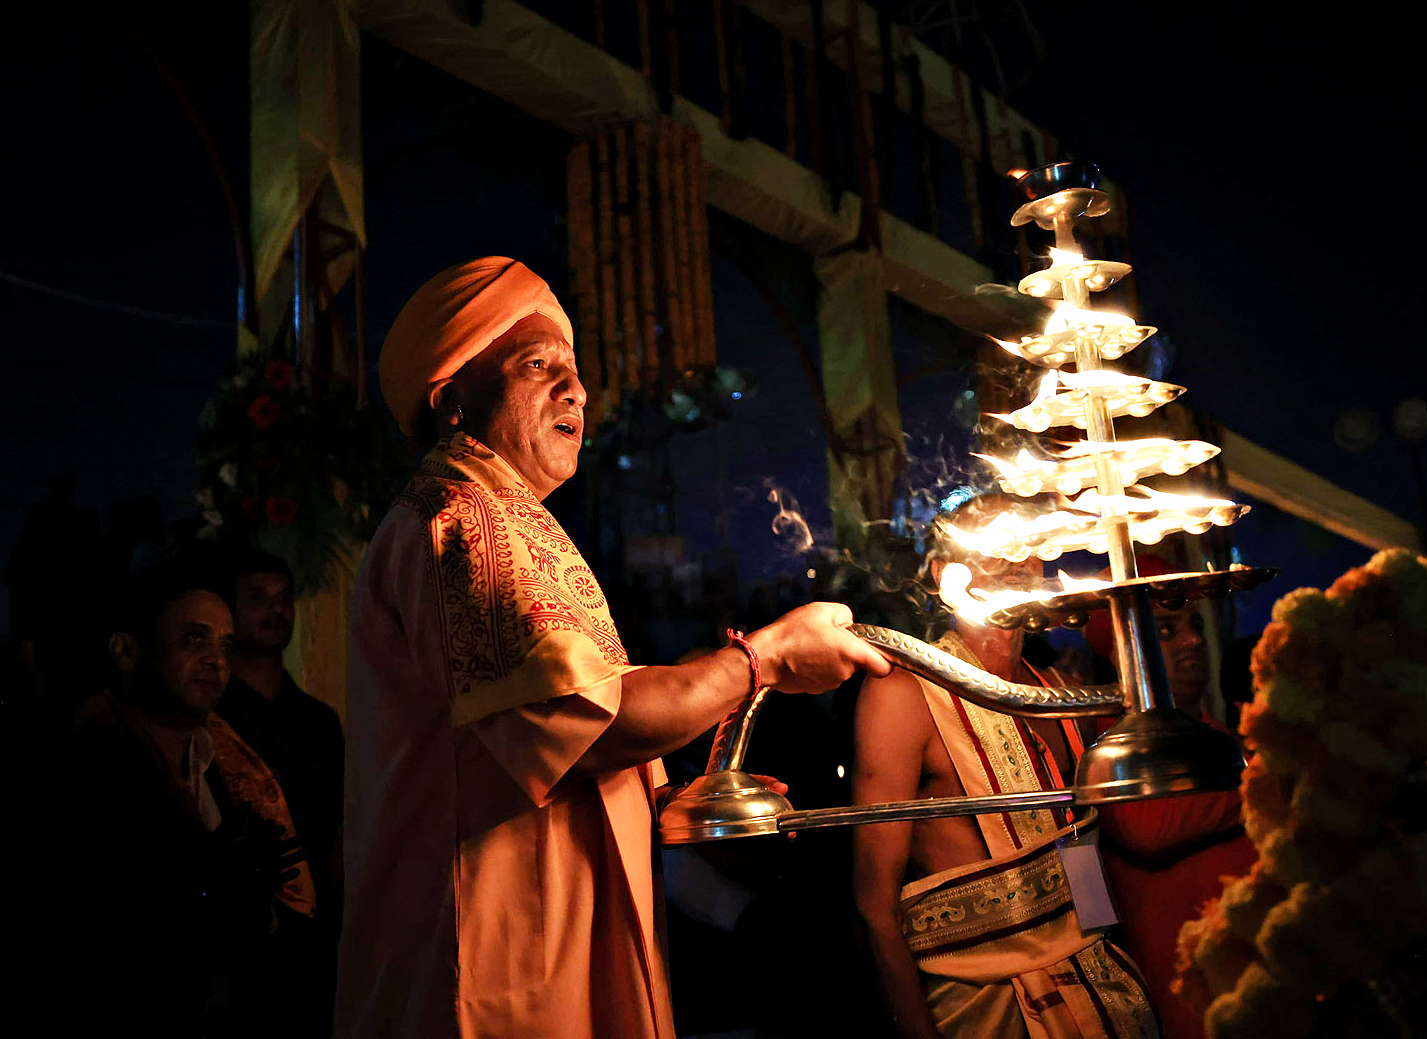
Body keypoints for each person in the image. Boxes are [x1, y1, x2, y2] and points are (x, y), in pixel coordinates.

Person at [335, 257, 891, 1039]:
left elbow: (575, 735)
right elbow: (599, 723)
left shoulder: (506, 517)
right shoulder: (463, 516)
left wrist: (693, 792)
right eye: (539, 365)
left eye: (575, 369)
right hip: (490, 968)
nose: (578, 391)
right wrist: (766, 658)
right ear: (452, 400)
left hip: (549, 946)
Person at [851, 495, 1158, 1039]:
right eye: (994, 544)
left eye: (1028, 542)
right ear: (947, 574)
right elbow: (874, 902)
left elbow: (1086, 863)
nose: (1018, 560)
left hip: (1106, 995)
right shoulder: (903, 694)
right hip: (983, 1010)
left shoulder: (1056, 692)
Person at [62, 561, 321, 1037]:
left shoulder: (226, 762)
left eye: (225, 645)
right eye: (193, 640)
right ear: (126, 650)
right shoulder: (88, 768)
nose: (216, 661)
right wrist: (204, 885)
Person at [1083, 556, 1256, 1039]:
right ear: (1124, 650)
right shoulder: (1114, 749)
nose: (1194, 640)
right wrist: (1263, 786)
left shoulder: (1211, 733)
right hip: (1193, 1000)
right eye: (1166, 628)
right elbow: (1149, 826)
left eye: (1194, 623)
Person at [216, 549, 345, 923]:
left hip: (317, 919)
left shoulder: (319, 720)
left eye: (283, 598)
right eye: (257, 598)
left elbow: (337, 829)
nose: (276, 611)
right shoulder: (213, 717)